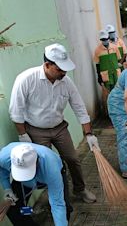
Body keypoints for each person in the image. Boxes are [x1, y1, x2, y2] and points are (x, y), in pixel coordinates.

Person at [9, 43, 98, 203]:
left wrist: (89, 134)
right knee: (47, 166)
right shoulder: (26, 80)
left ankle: (80, 189)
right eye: (59, 69)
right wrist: (23, 135)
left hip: (59, 128)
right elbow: (16, 111)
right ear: (47, 65)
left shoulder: (66, 82)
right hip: (36, 130)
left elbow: (79, 107)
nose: (64, 73)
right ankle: (55, 197)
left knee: (72, 159)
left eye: (65, 69)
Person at [0, 143, 72, 226]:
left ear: (37, 161)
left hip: (50, 173)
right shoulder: (3, 157)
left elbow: (57, 204)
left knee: (63, 208)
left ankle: (50, 213)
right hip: (21, 181)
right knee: (14, 210)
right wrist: (7, 188)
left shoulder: (51, 168)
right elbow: (1, 168)